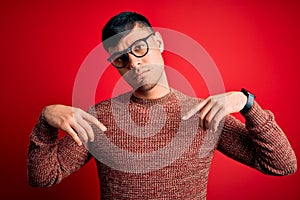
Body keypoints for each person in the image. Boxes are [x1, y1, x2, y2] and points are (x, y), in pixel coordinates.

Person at [28, 11, 297, 199]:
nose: (134, 63)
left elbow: (282, 165)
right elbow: (43, 177)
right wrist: (45, 121)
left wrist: (248, 104)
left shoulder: (203, 114)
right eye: (121, 59)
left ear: (158, 42)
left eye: (139, 48)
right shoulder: (101, 118)